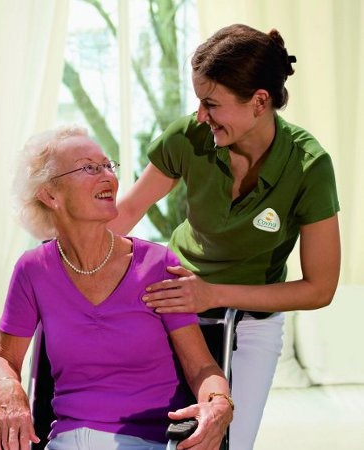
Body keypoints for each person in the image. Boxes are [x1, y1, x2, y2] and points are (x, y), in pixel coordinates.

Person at [109, 23, 341, 449]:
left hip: (250, 324)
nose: (201, 115)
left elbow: (319, 288)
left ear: (259, 102)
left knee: (225, 442)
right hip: (174, 304)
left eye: (211, 104)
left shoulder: (309, 166)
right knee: (147, 437)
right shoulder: (191, 137)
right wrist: (60, 261)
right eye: (199, 101)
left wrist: (212, 294)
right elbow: (128, 210)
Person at [0, 125, 233, 450]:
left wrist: (218, 403)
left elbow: (202, 367)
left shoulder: (157, 265)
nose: (108, 177)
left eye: (107, 165)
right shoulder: (34, 270)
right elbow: (1, 357)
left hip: (148, 442)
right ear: (50, 195)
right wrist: (7, 387)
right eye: (89, 168)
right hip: (65, 442)